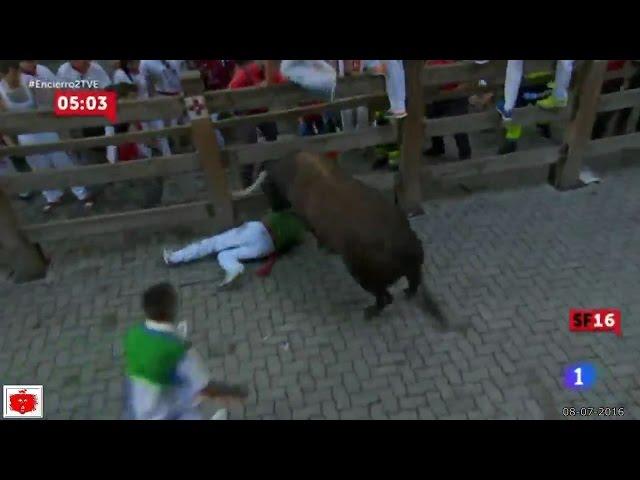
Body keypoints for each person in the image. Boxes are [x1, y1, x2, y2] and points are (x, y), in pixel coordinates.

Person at [123, 282, 249, 420]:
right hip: (167, 411)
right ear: (171, 310)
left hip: (138, 409)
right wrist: (234, 392)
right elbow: (204, 386)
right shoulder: (179, 350)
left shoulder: (133, 334)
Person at [0, 61, 93, 212]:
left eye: (12, 73)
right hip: (25, 135)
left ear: (15, 70)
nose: (10, 77)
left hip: (44, 129)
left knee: (62, 161)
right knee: (39, 168)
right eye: (5, 75)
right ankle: (52, 196)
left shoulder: (28, 80)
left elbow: (52, 90)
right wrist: (10, 141)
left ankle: (81, 193)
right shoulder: (0, 90)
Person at [163, 198, 306, 288]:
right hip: (267, 248)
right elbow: (292, 244)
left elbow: (269, 215)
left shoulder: (283, 212)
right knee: (225, 255)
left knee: (215, 242)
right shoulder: (300, 230)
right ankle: (234, 269)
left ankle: (174, 257)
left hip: (258, 230)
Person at [57, 60, 117, 164]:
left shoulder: (96, 68)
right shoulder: (63, 71)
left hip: (99, 118)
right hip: (76, 120)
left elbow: (108, 92)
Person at [423, 60, 472, 160]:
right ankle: (437, 147)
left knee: (457, 121)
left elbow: (467, 77)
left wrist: (456, 91)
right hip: (438, 94)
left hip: (457, 95)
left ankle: (465, 152)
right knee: (432, 116)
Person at [497, 60, 574, 121]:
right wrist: (560, 94)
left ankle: (508, 109)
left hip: (528, 88)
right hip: (547, 86)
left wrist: (508, 106)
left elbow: (513, 72)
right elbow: (565, 66)